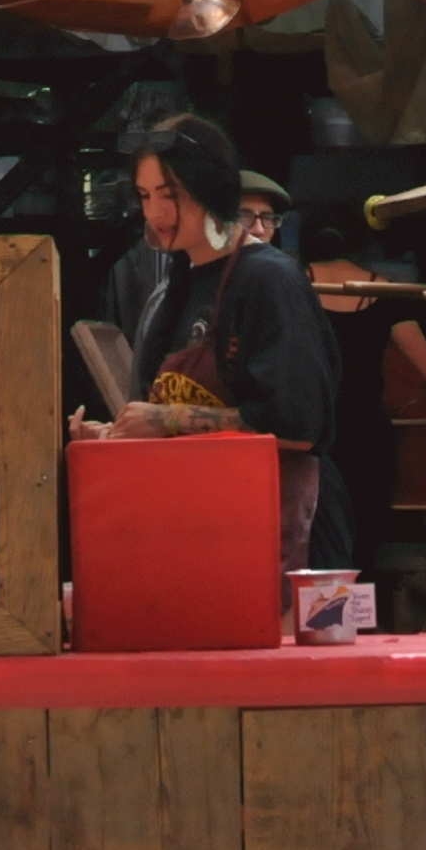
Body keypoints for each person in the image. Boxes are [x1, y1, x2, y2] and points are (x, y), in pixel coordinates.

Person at [71, 115, 339, 572]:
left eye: (170, 195)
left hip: (259, 548)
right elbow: (158, 422)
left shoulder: (268, 279)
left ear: (211, 189)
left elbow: (298, 426)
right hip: (186, 536)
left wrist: (166, 418)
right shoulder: (178, 285)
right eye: (145, 196)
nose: (155, 214)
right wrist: (116, 437)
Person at [307, 223, 426, 573]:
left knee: (313, 543)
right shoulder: (385, 290)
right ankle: (361, 625)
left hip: (312, 431)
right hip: (367, 431)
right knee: (363, 542)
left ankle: (313, 624)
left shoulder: (296, 284)